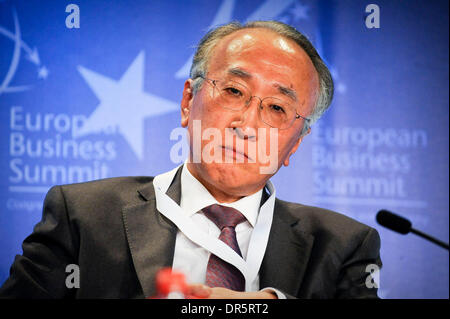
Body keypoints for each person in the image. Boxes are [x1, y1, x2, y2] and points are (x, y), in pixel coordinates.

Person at [0, 20, 382, 299]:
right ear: (187, 102)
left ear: (296, 143)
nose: (246, 124)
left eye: (278, 108)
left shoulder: (343, 245)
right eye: (234, 90)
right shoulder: (83, 216)